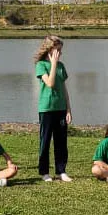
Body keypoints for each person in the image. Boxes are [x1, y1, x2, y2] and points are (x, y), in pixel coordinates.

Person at [35, 35, 73, 182]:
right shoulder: (41, 65)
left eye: (61, 51)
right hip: (46, 109)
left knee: (61, 141)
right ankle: (44, 172)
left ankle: (61, 171)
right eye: (58, 50)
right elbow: (50, 83)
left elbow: (64, 89)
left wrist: (68, 109)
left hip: (61, 108)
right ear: (50, 49)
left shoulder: (61, 66)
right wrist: (53, 64)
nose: (60, 53)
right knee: (45, 141)